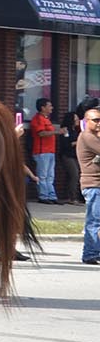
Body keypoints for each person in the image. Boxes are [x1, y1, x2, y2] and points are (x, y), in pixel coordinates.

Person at [27, 98, 64, 205]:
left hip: (50, 151)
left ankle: (51, 195)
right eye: (49, 105)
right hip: (41, 151)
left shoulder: (46, 119)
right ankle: (43, 196)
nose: (52, 108)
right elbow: (41, 133)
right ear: (43, 107)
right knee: (42, 175)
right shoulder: (38, 119)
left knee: (50, 175)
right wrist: (57, 132)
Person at [77, 105, 100, 265]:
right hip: (93, 185)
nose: (99, 123)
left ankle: (94, 251)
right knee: (94, 221)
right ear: (86, 121)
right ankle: (90, 253)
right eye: (96, 120)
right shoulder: (87, 136)